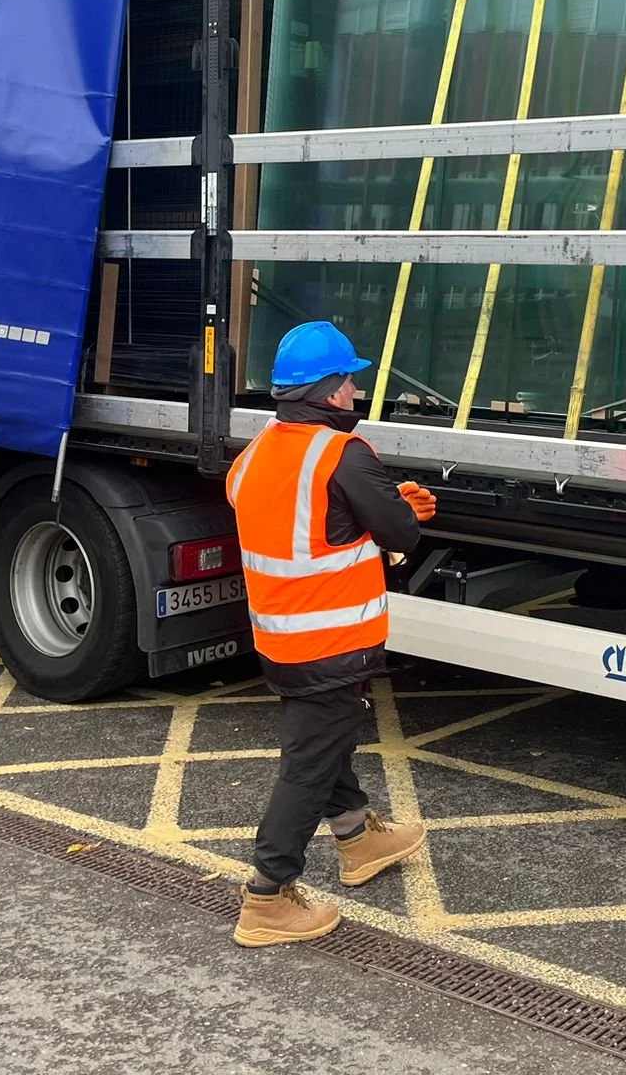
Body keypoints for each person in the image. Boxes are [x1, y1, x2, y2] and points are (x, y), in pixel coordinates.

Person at [228, 320, 440, 947]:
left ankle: (358, 838)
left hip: (280, 642)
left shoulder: (253, 456)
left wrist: (377, 508)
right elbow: (399, 534)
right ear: (327, 391)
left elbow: (315, 528)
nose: (354, 391)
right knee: (309, 763)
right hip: (332, 641)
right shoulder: (342, 453)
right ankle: (267, 897)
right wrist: (403, 508)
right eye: (349, 380)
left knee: (327, 740)